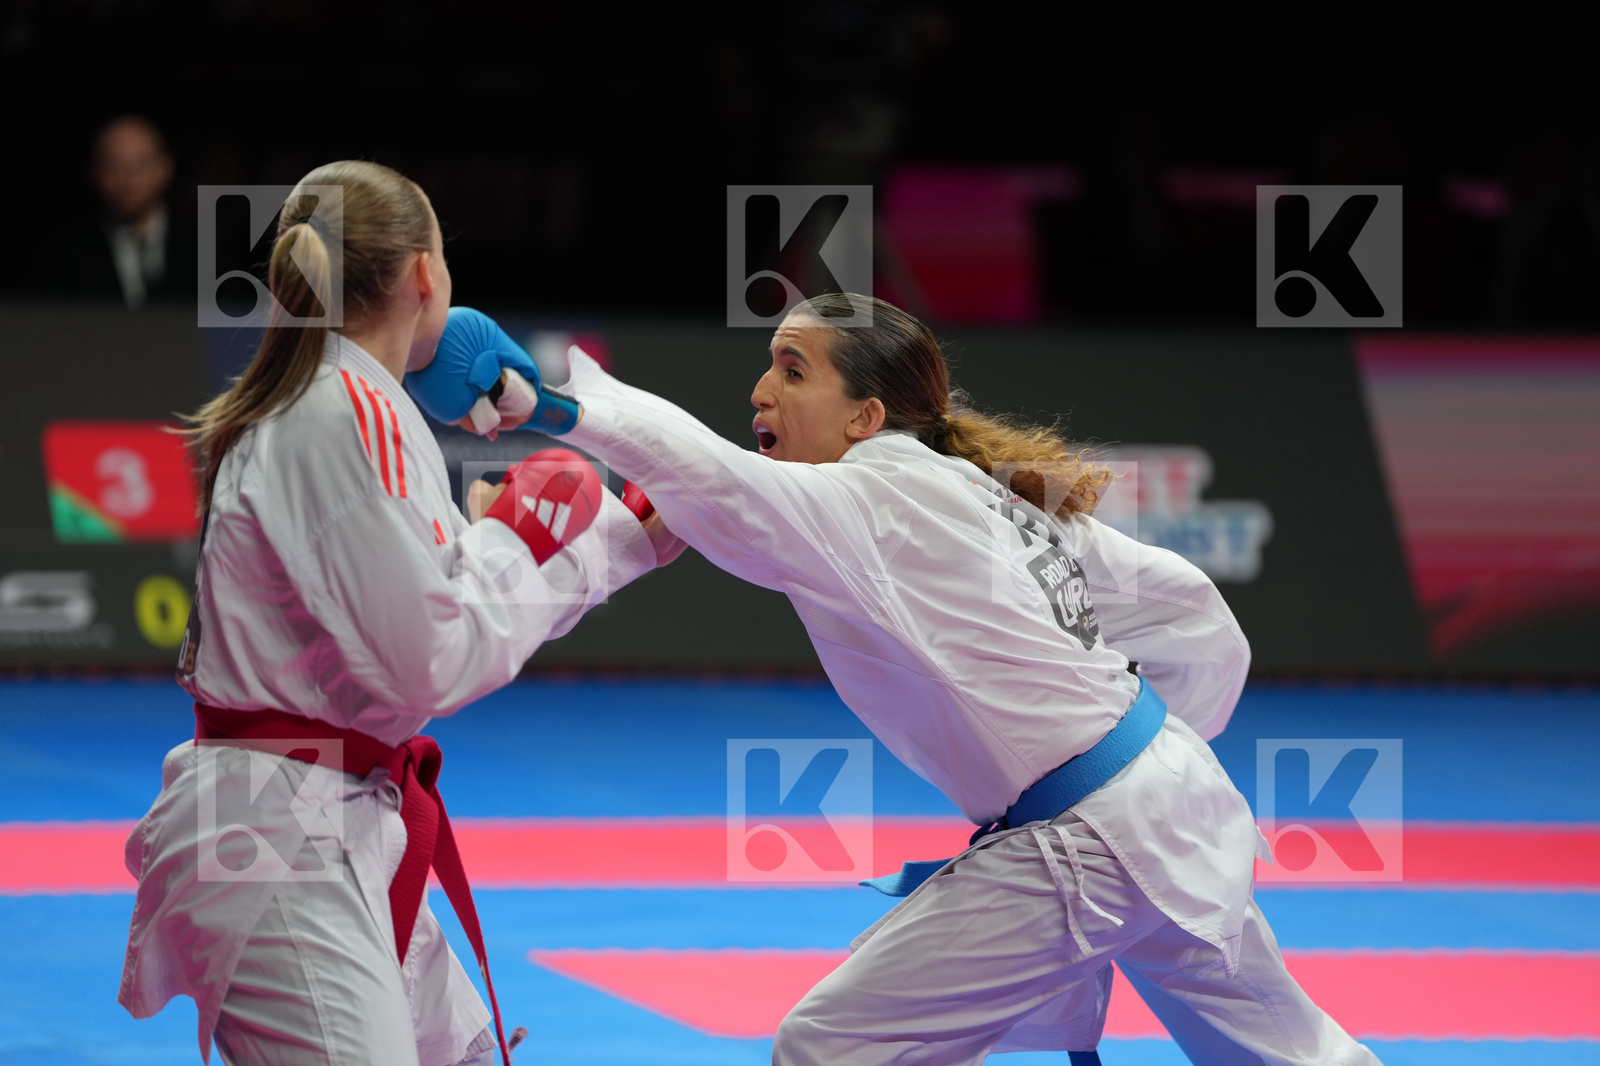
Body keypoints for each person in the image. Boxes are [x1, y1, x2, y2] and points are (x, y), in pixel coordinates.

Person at [438, 293, 1380, 1065]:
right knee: (1290, 1054)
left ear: (868, 416)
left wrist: (556, 408)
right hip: (1172, 804)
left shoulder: (875, 493)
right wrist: (1154, 761)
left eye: (793, 370)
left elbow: (718, 483)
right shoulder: (980, 492)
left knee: (830, 1049)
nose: (761, 388)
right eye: (768, 361)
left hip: (1089, 840)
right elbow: (1191, 612)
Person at [117, 160, 678, 1066]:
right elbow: (434, 660)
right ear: (425, 275)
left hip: (334, 814)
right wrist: (522, 533)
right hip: (280, 839)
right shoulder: (345, 416)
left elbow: (445, 606)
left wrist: (617, 543)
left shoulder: (346, 408)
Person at [52, 114, 194, 307]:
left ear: (166, 168)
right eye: (114, 165)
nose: (128, 179)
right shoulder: (69, 253)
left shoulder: (203, 248)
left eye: (141, 164)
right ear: (94, 172)